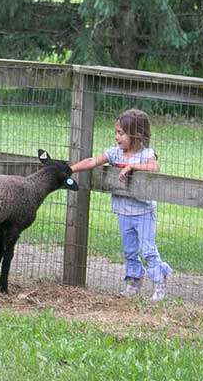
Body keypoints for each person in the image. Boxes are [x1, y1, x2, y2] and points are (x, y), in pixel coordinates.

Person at [69, 108, 172, 301]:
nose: (117, 137)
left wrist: (132, 166)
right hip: (123, 212)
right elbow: (93, 160)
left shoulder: (146, 154)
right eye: (116, 132)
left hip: (143, 212)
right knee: (130, 250)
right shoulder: (115, 153)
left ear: (137, 135)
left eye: (121, 133)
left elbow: (154, 168)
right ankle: (133, 280)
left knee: (148, 249)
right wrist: (70, 169)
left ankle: (159, 282)